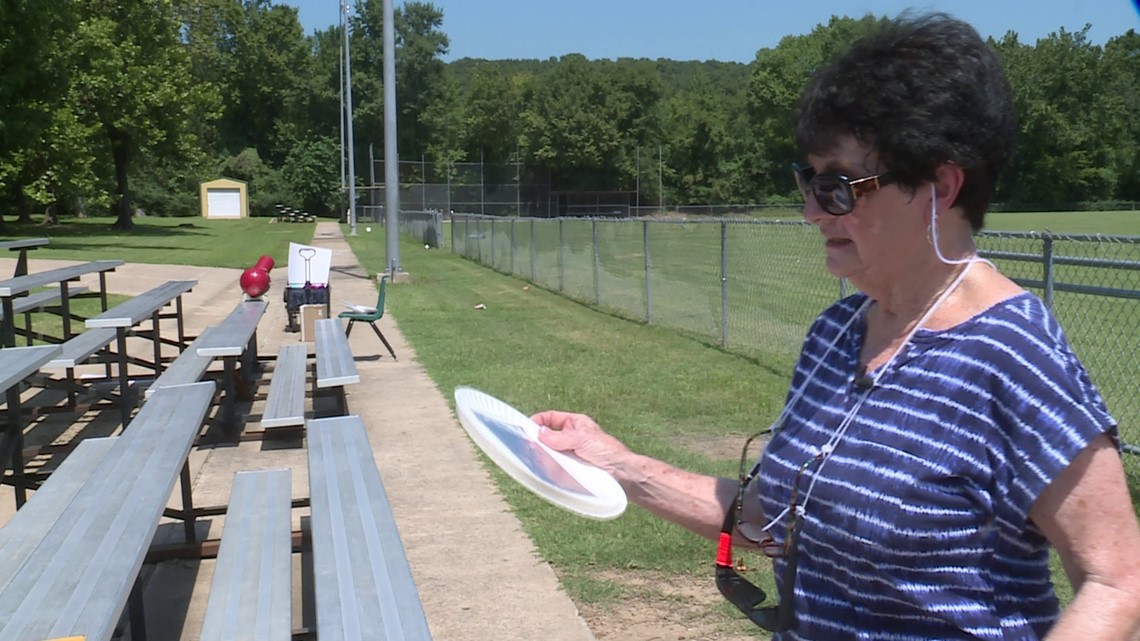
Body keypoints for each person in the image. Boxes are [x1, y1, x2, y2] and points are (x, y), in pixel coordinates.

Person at [531, 13, 1140, 640]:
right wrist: (617, 465)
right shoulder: (838, 332)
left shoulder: (1011, 355)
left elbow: (1117, 581)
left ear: (940, 187)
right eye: (808, 182)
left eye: (839, 187)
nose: (810, 211)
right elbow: (776, 515)